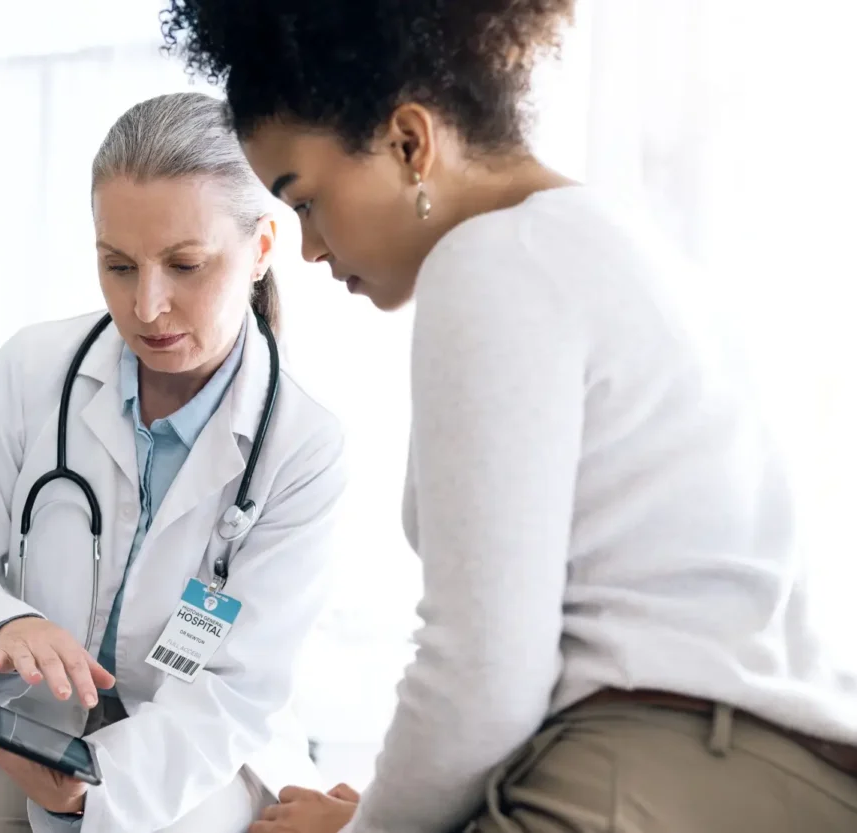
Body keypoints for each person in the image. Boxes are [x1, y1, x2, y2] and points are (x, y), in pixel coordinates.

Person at [162, 3, 857, 832]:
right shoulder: (609, 239)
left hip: (654, 766)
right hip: (748, 766)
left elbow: (482, 675)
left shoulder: (492, 262)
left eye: (304, 199)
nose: (310, 249)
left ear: (411, 143)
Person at [0, 92, 346, 833]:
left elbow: (236, 691)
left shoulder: (302, 444)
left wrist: (86, 791)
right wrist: (2, 627)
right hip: (19, 725)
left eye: (185, 264)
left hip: (193, 749)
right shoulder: (32, 370)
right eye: (119, 265)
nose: (148, 306)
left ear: (263, 245)